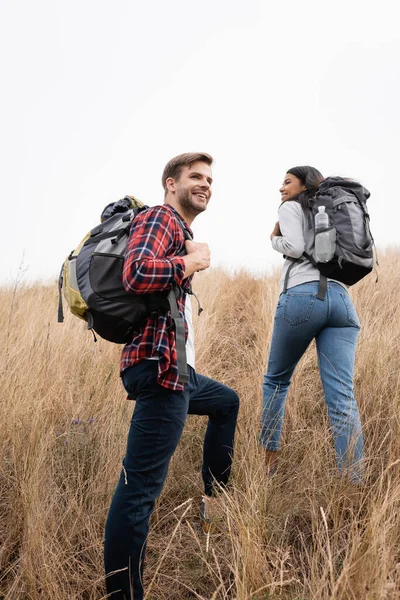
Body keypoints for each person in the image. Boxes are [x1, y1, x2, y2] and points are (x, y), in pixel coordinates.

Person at [104, 152, 240, 599]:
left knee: (226, 402)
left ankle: (213, 502)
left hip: (176, 370)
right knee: (139, 492)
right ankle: (123, 595)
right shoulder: (161, 218)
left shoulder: (179, 231)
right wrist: (189, 263)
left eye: (209, 179)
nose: (205, 184)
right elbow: (136, 273)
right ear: (170, 183)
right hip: (163, 371)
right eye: (195, 177)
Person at [260, 166, 364, 483]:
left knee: (275, 382)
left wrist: (273, 238)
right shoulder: (331, 211)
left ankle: (269, 467)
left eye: (287, 182)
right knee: (342, 398)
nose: (281, 187)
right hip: (342, 303)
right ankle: (353, 480)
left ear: (304, 185)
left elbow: (292, 246)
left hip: (303, 297)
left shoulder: (291, 207)